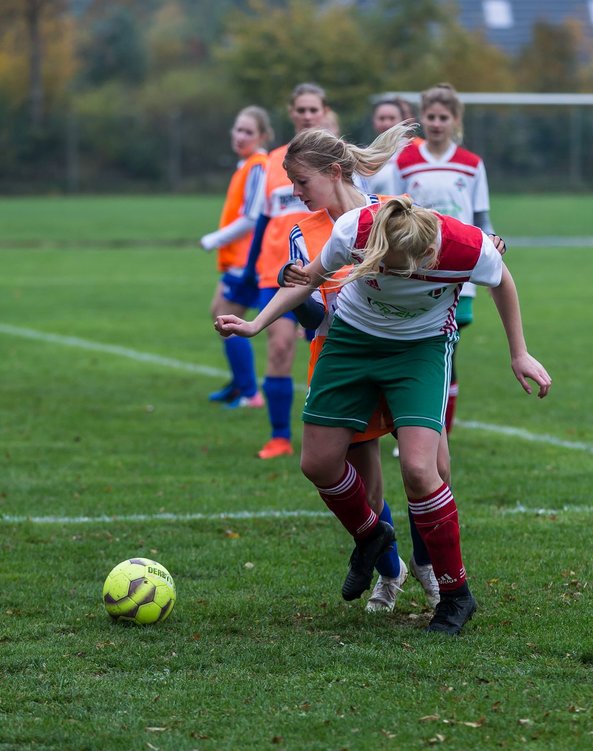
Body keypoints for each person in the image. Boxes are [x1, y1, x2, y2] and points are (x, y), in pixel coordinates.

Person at [215, 196, 551, 635]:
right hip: (352, 341)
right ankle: (373, 535)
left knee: (420, 468)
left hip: (420, 349)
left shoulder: (466, 247)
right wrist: (256, 324)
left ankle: (455, 595)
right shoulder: (354, 230)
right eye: (384, 266)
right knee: (317, 463)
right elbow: (309, 279)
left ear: (427, 253)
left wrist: (519, 353)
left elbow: (502, 282)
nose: (392, 274)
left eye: (400, 268)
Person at [280, 121, 432, 613]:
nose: (294, 192)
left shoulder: (387, 215)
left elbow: (436, 253)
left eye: (301, 182)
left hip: (405, 352)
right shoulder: (301, 232)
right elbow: (316, 316)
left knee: (427, 470)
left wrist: (490, 241)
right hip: (339, 356)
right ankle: (391, 573)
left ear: (332, 170)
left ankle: (437, 577)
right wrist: (293, 292)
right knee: (365, 484)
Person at [234, 83, 331, 459]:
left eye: (313, 109)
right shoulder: (274, 160)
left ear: (324, 112)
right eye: (301, 109)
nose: (307, 115)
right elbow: (262, 219)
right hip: (277, 272)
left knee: (325, 354)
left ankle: (330, 433)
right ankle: (279, 436)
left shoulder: (336, 158)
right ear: (291, 112)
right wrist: (248, 269)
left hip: (326, 274)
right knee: (278, 347)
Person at [396, 83, 494, 433]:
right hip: (415, 270)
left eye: (443, 117)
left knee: (443, 352)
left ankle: (437, 434)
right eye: (431, 116)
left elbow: (482, 219)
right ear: (422, 118)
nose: (436, 123)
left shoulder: (470, 165)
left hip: (459, 271)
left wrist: (490, 246)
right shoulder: (405, 162)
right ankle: (417, 430)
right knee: (415, 351)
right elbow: (393, 212)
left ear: (455, 120)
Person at [201, 106, 272, 408]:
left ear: (263, 136)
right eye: (238, 129)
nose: (240, 136)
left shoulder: (258, 165)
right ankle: (238, 383)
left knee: (227, 320)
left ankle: (249, 393)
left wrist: (213, 239)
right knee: (217, 311)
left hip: (248, 262)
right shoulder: (244, 165)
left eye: (248, 132)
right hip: (235, 259)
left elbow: (253, 217)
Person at [364, 96, 413, 196]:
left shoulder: (414, 151)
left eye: (392, 118)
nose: (387, 123)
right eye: (381, 118)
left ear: (402, 121)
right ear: (374, 121)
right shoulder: (366, 155)